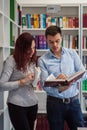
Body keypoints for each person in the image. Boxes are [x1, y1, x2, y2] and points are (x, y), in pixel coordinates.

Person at [38, 25, 87, 130]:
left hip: (74, 102)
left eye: (57, 41)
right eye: (51, 42)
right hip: (54, 104)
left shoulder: (72, 54)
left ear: (61, 37)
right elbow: (44, 86)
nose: (55, 45)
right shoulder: (42, 60)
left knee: (80, 129)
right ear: (46, 40)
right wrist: (59, 86)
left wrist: (69, 81)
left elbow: (84, 74)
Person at [0, 32, 40, 130]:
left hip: (33, 104)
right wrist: (22, 82)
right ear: (21, 48)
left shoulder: (32, 61)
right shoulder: (11, 60)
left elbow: (33, 85)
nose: (32, 51)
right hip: (17, 105)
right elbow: (2, 85)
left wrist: (36, 80)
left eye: (34, 48)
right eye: (29, 48)